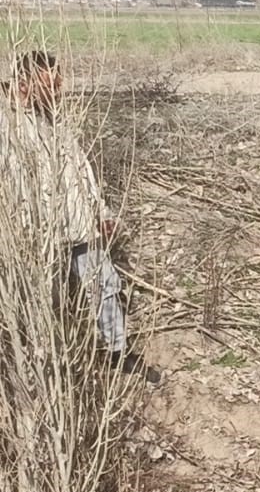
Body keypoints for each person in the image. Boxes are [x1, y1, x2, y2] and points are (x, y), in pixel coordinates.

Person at [6, 51, 158, 384]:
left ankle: (118, 353)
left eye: (58, 83)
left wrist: (101, 212)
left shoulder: (56, 120)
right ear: (22, 84)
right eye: (48, 85)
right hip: (38, 234)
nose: (57, 91)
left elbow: (80, 172)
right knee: (45, 302)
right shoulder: (8, 127)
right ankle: (46, 370)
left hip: (80, 225)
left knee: (106, 285)